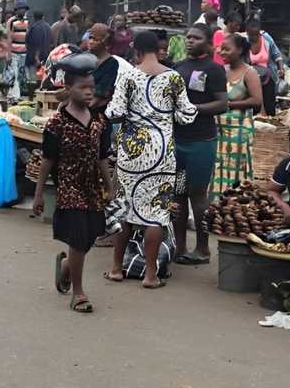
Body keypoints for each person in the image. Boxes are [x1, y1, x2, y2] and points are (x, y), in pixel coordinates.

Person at [105, 31, 197, 288]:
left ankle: (115, 268)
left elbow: (115, 112)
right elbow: (187, 115)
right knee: (156, 213)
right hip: (162, 151)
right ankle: (149, 275)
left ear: (136, 50)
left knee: (124, 208)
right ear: (159, 49)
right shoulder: (173, 77)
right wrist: (165, 118)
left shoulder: (127, 75)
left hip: (131, 150)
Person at [33, 57, 114, 314]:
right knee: (78, 238)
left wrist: (109, 185)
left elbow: (102, 157)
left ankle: (68, 266)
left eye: (92, 87)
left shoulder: (100, 121)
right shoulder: (57, 124)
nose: (89, 92)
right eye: (82, 88)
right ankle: (78, 293)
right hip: (69, 187)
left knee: (91, 235)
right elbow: (47, 160)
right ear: (68, 89)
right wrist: (38, 195)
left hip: (92, 187)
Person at [171, 24, 228, 265]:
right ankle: (180, 246)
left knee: (198, 195)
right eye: (188, 37)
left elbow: (222, 103)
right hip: (178, 141)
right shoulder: (177, 68)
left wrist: (193, 110)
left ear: (208, 43)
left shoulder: (214, 70)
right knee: (178, 194)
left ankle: (203, 249)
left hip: (201, 142)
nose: (190, 41)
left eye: (196, 38)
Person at [212, 33, 263, 195]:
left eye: (227, 49)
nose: (221, 52)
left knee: (237, 169)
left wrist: (229, 105)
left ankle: (238, 205)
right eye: (221, 49)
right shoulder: (221, 71)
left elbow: (256, 101)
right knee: (219, 169)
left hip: (239, 131)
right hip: (219, 131)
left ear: (240, 50)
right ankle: (218, 205)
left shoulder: (250, 73)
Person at [87, 23, 134, 115]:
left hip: (97, 114)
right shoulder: (85, 59)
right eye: (90, 38)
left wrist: (81, 111)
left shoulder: (111, 64)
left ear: (105, 43)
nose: (91, 41)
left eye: (96, 39)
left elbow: (99, 96)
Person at [243, 16, 285, 116]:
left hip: (268, 78)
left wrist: (281, 68)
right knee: (254, 107)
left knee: (269, 106)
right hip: (251, 79)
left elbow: (277, 55)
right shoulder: (244, 42)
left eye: (256, 34)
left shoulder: (266, 38)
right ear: (247, 32)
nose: (254, 37)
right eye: (251, 35)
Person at [5, 0, 30, 93]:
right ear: (16, 10)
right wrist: (9, 54)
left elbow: (27, 36)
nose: (23, 11)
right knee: (14, 75)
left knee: (21, 75)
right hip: (14, 52)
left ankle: (17, 94)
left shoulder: (27, 21)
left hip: (24, 52)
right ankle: (15, 96)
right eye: (21, 9)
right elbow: (9, 38)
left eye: (24, 9)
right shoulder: (11, 21)